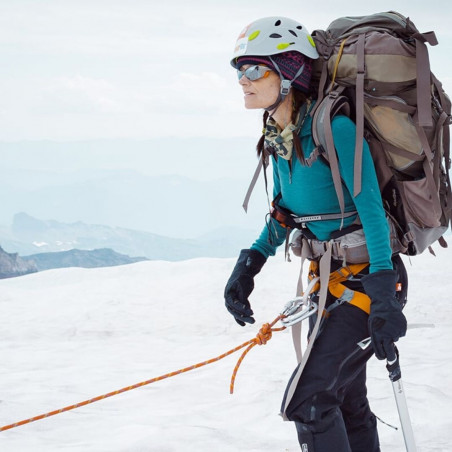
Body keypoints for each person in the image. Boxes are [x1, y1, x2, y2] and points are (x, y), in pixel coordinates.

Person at [224, 16, 408, 452]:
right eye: (240, 70)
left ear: (288, 72)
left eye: (255, 70)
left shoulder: (335, 130)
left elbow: (372, 213)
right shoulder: (279, 137)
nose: (243, 80)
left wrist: (384, 294)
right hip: (328, 287)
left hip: (368, 286)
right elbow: (284, 215)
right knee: (344, 398)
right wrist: (249, 264)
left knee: (307, 403)